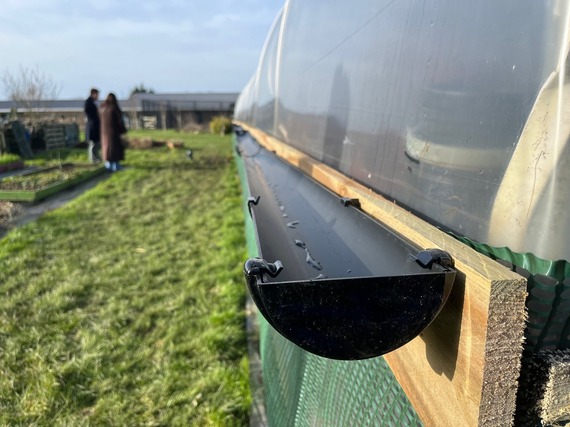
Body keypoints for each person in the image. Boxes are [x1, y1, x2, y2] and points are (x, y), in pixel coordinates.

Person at [99, 93, 126, 171]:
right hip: (114, 132)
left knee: (106, 148)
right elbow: (120, 121)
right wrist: (123, 130)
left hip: (104, 133)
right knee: (115, 149)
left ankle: (108, 165)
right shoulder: (114, 108)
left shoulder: (102, 108)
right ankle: (115, 166)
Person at [84, 88, 101, 163]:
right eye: (97, 94)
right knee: (93, 143)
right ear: (93, 93)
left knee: (96, 143)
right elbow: (89, 113)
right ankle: (93, 159)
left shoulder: (93, 102)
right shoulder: (89, 102)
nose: (98, 96)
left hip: (95, 125)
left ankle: (96, 157)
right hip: (92, 126)